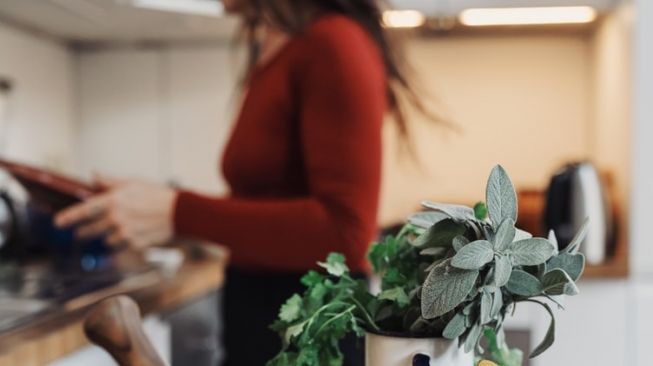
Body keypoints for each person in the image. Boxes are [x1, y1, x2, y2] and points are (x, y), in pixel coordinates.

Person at [55, 0, 435, 364]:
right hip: (261, 326)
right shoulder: (277, 45)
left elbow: (345, 233)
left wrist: (178, 212)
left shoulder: (335, 42)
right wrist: (164, 219)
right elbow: (271, 204)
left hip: (308, 344)